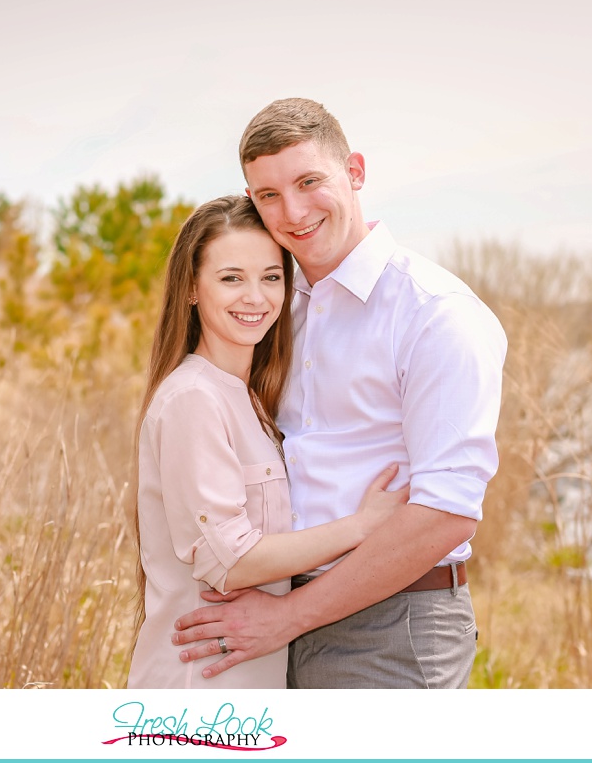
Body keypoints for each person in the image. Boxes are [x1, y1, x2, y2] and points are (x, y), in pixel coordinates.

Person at [171, 100, 507, 689]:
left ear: (354, 171)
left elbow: (447, 513)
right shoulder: (273, 306)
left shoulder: (434, 315)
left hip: (391, 626)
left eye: (309, 182)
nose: (292, 212)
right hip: (273, 617)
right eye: (268, 195)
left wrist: (289, 617)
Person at [128, 193, 403, 688]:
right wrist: (360, 527)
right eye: (231, 277)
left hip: (250, 683)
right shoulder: (193, 398)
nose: (255, 297)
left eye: (271, 277)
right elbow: (228, 562)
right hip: (200, 688)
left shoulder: (251, 400)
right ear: (192, 288)